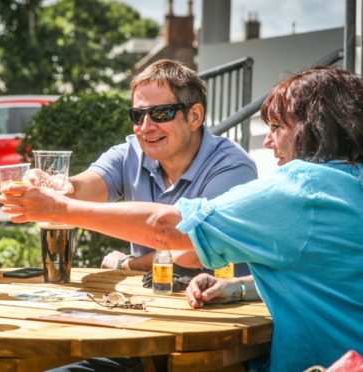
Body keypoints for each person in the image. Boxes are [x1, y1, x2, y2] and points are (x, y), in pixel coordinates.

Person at [0, 66, 363, 370]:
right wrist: (238, 287)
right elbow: (321, 272)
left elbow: (168, 229)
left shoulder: (299, 188)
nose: (267, 142)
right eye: (137, 115)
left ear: (312, 128)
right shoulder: (349, 182)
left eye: (277, 127)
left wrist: (60, 211)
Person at [45, 59, 256, 278]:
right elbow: (83, 189)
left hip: (225, 307)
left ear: (195, 116)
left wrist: (128, 264)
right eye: (138, 115)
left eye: (161, 113)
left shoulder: (232, 168)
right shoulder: (130, 153)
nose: (145, 127)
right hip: (155, 300)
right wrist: (54, 186)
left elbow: (194, 251)